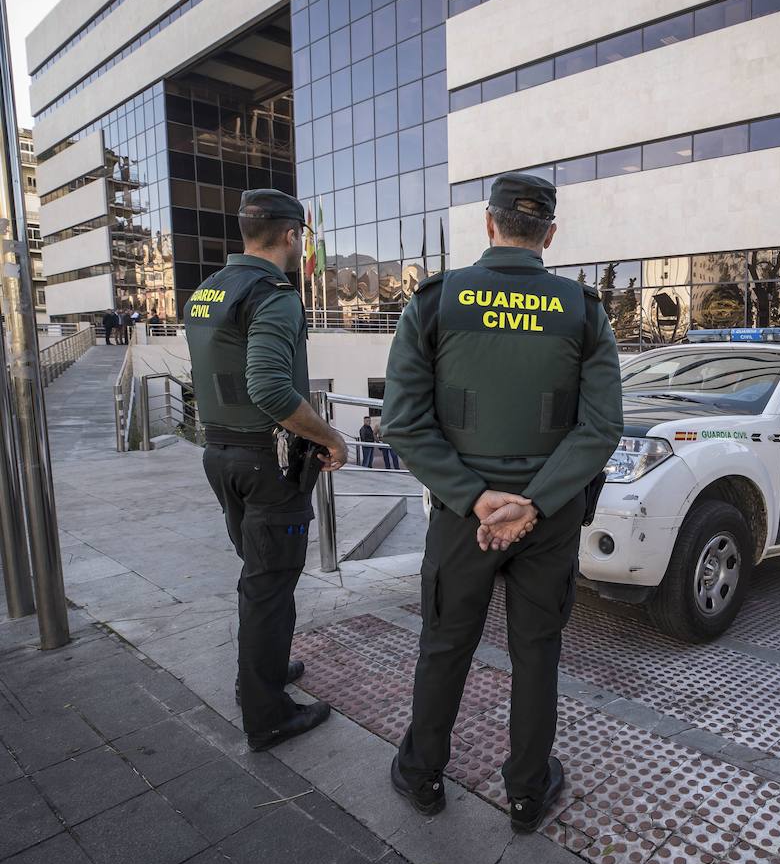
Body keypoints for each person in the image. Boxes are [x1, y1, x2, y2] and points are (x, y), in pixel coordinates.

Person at [384, 173, 622, 830]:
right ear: (549, 234)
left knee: (445, 645)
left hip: (465, 520)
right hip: (549, 521)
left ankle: (423, 774)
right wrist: (535, 504)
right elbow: (600, 428)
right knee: (536, 651)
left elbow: (403, 420)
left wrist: (474, 496)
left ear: (488, 225)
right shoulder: (583, 310)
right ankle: (525, 793)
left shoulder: (436, 302)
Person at [184, 189, 349, 752]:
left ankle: (263, 675)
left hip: (221, 455)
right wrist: (330, 437)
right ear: (291, 235)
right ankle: (268, 714)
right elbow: (270, 387)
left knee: (260, 578)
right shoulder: (273, 294)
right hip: (267, 462)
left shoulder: (208, 291)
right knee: (270, 586)